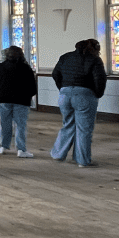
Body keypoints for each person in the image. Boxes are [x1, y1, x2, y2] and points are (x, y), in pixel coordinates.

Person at [50, 38, 107, 168]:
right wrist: (97, 93)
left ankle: (58, 154)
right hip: (85, 96)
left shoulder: (65, 57)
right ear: (95, 48)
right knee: (84, 129)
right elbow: (100, 79)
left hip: (64, 95)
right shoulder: (94, 60)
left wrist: (63, 88)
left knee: (68, 125)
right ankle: (82, 160)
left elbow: (55, 74)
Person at [0, 45, 38, 158]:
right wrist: (28, 96)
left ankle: (2, 146)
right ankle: (21, 150)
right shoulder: (26, 68)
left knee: (4, 123)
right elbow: (32, 86)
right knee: (20, 125)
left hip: (3, 99)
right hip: (21, 100)